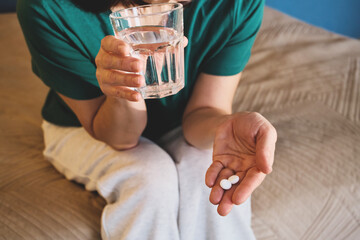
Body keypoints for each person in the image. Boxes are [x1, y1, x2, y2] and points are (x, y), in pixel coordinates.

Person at [17, 0, 277, 239]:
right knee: (149, 177)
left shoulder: (238, 4)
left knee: (207, 168)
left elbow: (205, 110)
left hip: (181, 119)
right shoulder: (47, 8)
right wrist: (122, 89)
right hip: (84, 125)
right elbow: (120, 139)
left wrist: (225, 126)